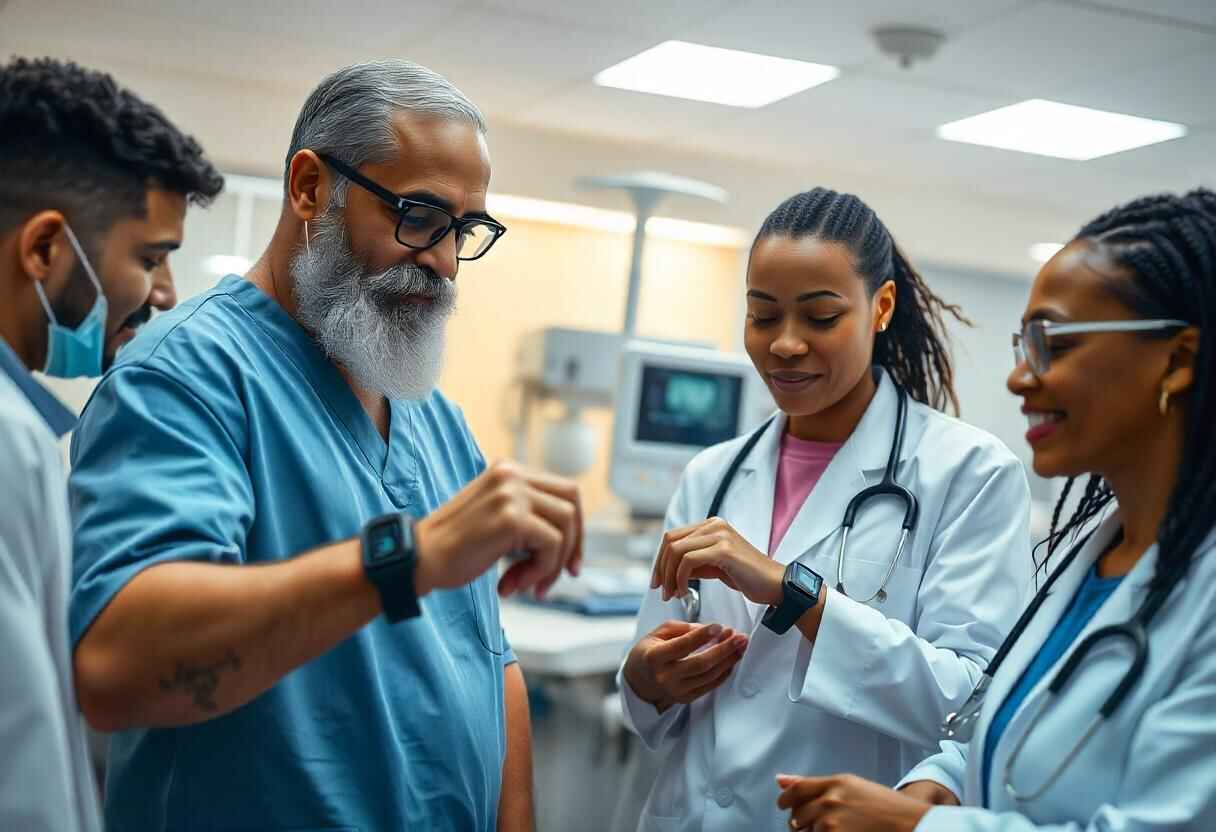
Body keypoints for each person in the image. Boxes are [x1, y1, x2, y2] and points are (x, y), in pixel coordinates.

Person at [67, 60, 581, 831]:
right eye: (418, 215)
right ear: (310, 187)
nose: (443, 260)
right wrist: (406, 558)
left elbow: (486, 654)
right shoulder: (184, 380)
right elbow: (120, 668)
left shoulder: (430, 416)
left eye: (465, 230)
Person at [776, 187, 1216, 831]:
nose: (1018, 378)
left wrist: (917, 828)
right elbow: (1007, 720)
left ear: (1176, 361)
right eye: (1023, 344)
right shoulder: (1092, 553)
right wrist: (942, 780)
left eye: (1053, 344)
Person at [619, 187, 1033, 831]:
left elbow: (974, 705)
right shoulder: (712, 474)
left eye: (819, 317)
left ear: (881, 307)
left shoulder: (968, 473)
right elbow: (652, 696)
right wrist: (646, 679)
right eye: (763, 315)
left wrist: (796, 593)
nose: (785, 344)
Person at [0, 56, 223, 831]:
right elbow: (21, 768)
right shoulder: (7, 442)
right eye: (151, 257)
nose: (164, 294)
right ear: (44, 250)